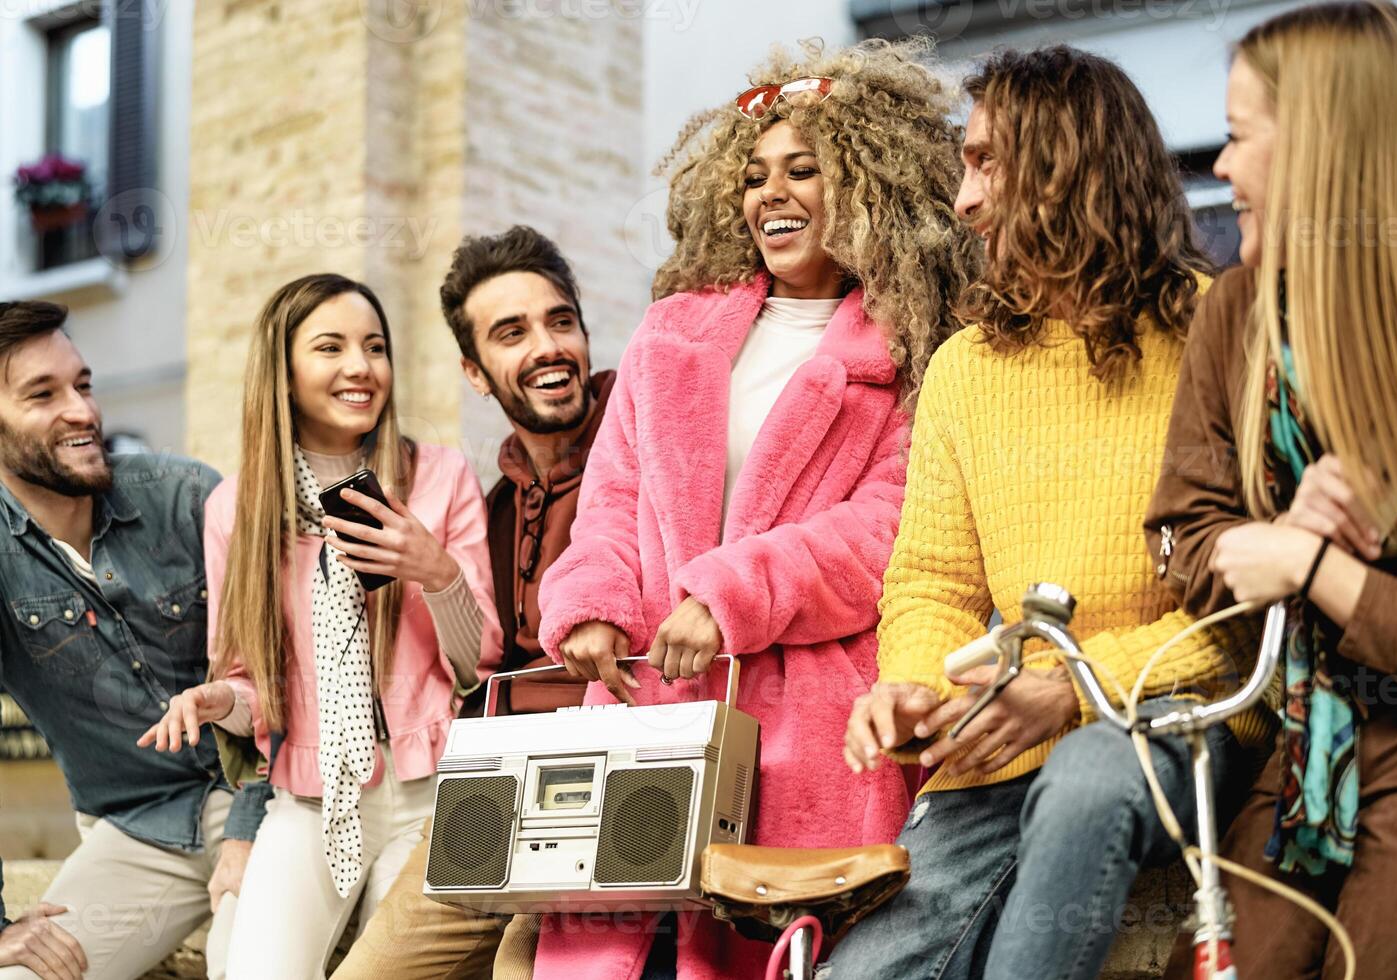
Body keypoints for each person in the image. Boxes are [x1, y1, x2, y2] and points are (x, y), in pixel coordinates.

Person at [530, 37, 980, 979]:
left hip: (808, 727)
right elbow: (613, 493)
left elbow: (883, 538)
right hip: (649, 704)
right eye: (753, 176)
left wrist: (729, 595)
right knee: (615, 957)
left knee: (761, 957)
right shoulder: (671, 335)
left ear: (867, 184)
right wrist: (597, 604)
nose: (770, 194)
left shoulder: (914, 352)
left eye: (803, 171)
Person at [829, 46, 1274, 980]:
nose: (964, 201)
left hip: (1179, 722)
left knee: (1086, 774)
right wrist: (912, 686)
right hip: (1002, 741)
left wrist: (1077, 689)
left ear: (1064, 164)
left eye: (988, 162)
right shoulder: (964, 370)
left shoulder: (1217, 331)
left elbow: (1247, 604)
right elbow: (932, 584)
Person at [1146, 3, 1397, 976]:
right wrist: (1279, 532)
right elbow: (1183, 538)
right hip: (1300, 753)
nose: (1221, 170)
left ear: (1322, 148)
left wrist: (1309, 564)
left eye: (1240, 138)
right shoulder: (1233, 313)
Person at [141, 274, 499, 978]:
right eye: (331, 347)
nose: (361, 367)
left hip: (435, 790)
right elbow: (248, 684)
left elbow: (477, 664)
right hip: (311, 795)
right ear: (284, 368)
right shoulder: (237, 508)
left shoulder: (440, 477)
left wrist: (436, 573)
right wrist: (222, 701)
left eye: (374, 347)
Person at [334, 226, 613, 979]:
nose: (548, 347)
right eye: (511, 333)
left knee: (522, 969)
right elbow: (476, 663)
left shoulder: (641, 443)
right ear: (476, 372)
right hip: (493, 785)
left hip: (613, 779)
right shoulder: (493, 505)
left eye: (561, 322)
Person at [0, 301, 268, 980]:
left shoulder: (185, 497)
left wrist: (246, 829)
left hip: (276, 801)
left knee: (251, 960)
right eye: (43, 394)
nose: (83, 412)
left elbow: (284, 673)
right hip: (140, 829)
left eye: (82, 385)